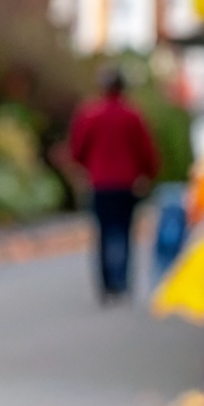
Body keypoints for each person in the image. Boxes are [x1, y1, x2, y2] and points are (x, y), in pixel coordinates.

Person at [68, 70, 161, 304]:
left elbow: (78, 149)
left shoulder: (90, 114)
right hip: (127, 183)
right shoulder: (132, 115)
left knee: (104, 232)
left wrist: (86, 168)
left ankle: (107, 284)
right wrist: (147, 174)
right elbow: (146, 150)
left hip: (100, 183)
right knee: (124, 231)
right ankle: (122, 281)